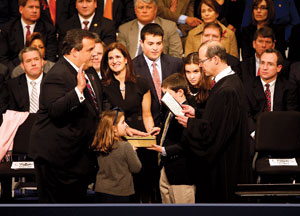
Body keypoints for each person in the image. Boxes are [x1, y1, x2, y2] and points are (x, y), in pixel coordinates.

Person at [29, 29, 103, 203]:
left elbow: (97, 109)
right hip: (57, 159)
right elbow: (55, 110)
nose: (94, 54)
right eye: (89, 50)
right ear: (75, 51)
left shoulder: (89, 72)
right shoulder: (57, 75)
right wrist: (78, 90)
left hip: (77, 158)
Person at [176, 41, 250, 202]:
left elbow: (214, 132)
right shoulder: (229, 83)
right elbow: (220, 117)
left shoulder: (227, 89)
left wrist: (190, 124)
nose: (201, 66)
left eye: (202, 61)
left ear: (215, 59)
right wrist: (197, 113)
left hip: (225, 167)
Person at [101, 41, 160, 203]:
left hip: (140, 138)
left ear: (126, 59)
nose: (114, 61)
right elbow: (104, 118)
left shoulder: (141, 83)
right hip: (116, 142)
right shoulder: (103, 86)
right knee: (123, 190)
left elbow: (147, 115)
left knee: (144, 186)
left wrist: (150, 133)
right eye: (110, 58)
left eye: (118, 57)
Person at [148, 73, 196, 204]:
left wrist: (164, 150)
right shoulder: (170, 110)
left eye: (167, 94)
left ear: (180, 92)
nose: (164, 98)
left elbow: (188, 143)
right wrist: (161, 130)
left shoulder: (189, 112)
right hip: (167, 169)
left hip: (182, 173)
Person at [133, 23, 183, 127]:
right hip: (144, 126)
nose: (155, 48)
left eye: (158, 43)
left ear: (163, 43)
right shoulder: (132, 67)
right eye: (150, 44)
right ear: (141, 43)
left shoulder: (176, 64)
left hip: (173, 125)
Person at [91, 110, 142, 203]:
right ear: (114, 128)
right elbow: (136, 168)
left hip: (101, 192)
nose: (126, 125)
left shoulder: (99, 145)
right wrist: (133, 152)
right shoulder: (126, 146)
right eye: (123, 122)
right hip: (121, 194)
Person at [245, 48, 298, 133]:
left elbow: (291, 116)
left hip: (280, 132)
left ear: (279, 68)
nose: (264, 68)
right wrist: (256, 134)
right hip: (255, 132)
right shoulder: (248, 87)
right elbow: (246, 115)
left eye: (270, 64)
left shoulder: (289, 88)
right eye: (262, 63)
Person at [0, 0, 57, 73]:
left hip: (40, 71)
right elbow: (3, 57)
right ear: (21, 9)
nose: (34, 11)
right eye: (31, 7)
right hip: (13, 71)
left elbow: (50, 57)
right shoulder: (7, 29)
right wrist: (17, 71)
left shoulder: (48, 29)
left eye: (37, 7)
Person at [118, 0, 183, 59]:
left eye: (148, 7)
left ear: (155, 9)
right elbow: (121, 56)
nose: (144, 11)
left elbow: (176, 55)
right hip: (132, 69)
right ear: (135, 10)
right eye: (141, 7)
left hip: (161, 69)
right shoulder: (124, 29)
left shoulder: (169, 26)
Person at [5, 47, 44, 113]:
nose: (33, 63)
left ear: (42, 62)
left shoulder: (53, 82)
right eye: (28, 61)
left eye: (36, 59)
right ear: (22, 66)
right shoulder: (12, 86)